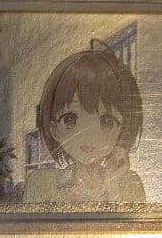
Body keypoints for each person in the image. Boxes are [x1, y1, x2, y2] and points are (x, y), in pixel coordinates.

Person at [23, 49, 146, 203]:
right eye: (70, 119)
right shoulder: (42, 184)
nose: (88, 134)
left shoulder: (130, 184)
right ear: (54, 130)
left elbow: (131, 220)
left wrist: (112, 184)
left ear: (122, 130)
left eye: (107, 121)